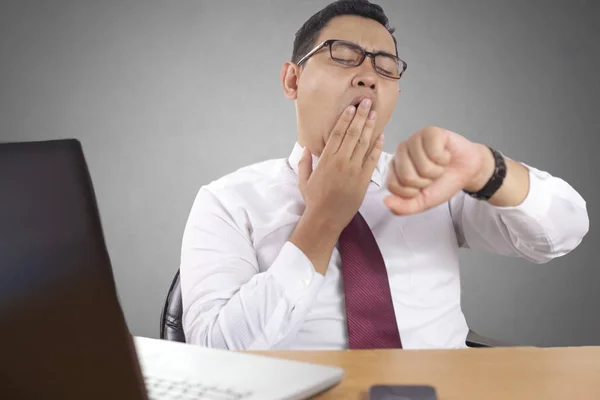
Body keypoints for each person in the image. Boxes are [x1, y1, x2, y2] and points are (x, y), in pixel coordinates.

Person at [179, 0, 589, 350]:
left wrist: (486, 169)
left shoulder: (430, 180)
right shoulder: (227, 202)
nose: (368, 75)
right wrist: (322, 220)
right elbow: (215, 350)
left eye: (386, 65)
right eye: (342, 54)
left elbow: (563, 233)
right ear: (293, 79)